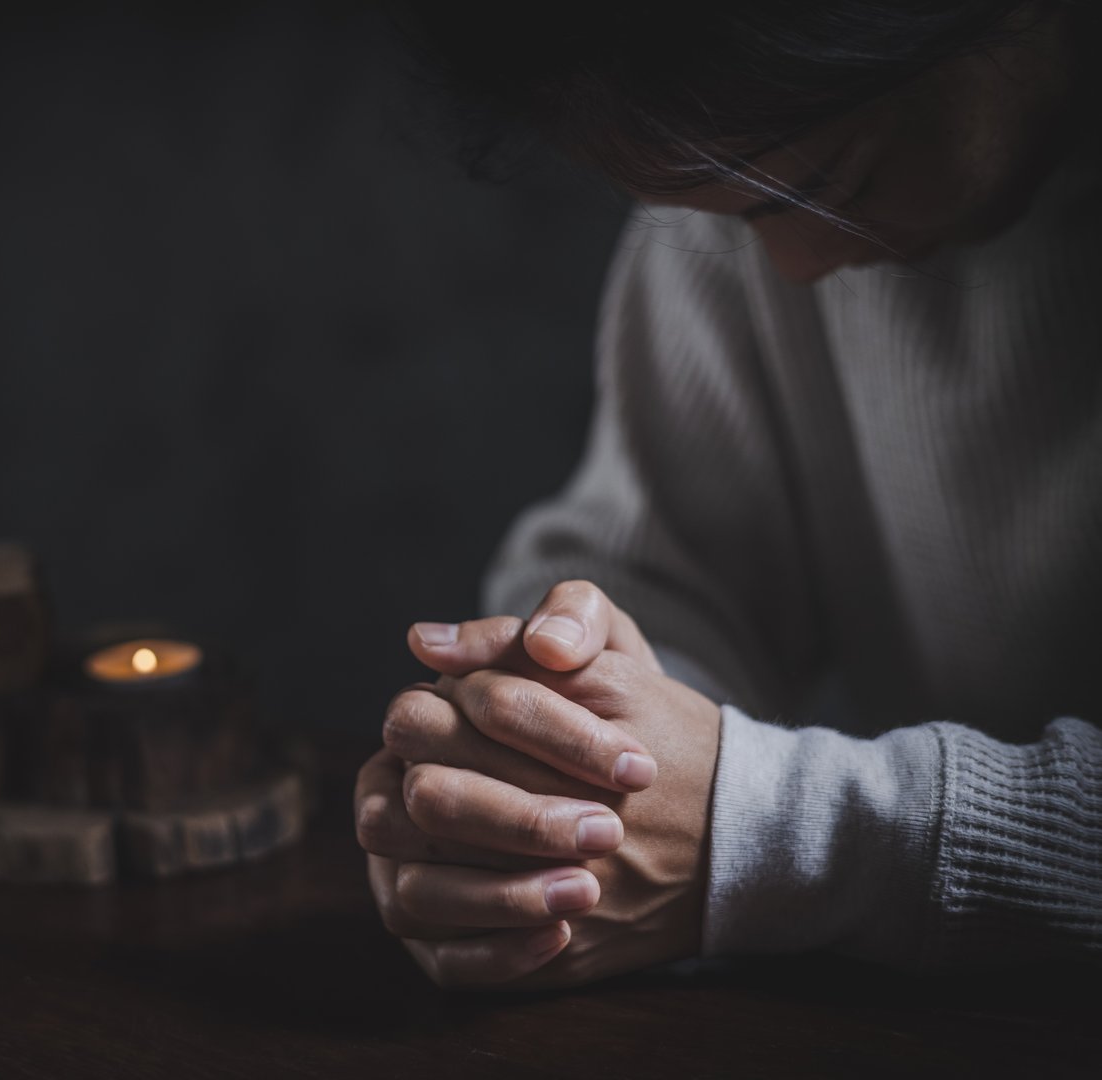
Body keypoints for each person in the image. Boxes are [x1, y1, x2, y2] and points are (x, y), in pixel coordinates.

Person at [355, 0, 1102, 989]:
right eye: (731, 213)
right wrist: (535, 764)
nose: (794, 270)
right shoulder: (742, 165)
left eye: (838, 187)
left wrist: (771, 832)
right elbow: (656, 578)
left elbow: (744, 823)